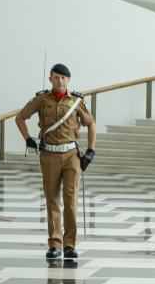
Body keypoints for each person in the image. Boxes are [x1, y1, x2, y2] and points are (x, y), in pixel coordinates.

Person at [16, 64, 96, 260]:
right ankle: (55, 244)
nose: (60, 81)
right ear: (50, 79)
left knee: (70, 202)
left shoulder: (76, 101)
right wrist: (28, 139)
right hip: (49, 156)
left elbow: (91, 123)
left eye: (64, 78)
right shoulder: (41, 99)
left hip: (72, 156)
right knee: (52, 200)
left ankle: (70, 244)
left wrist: (90, 151)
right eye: (57, 77)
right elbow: (20, 118)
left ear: (68, 80)